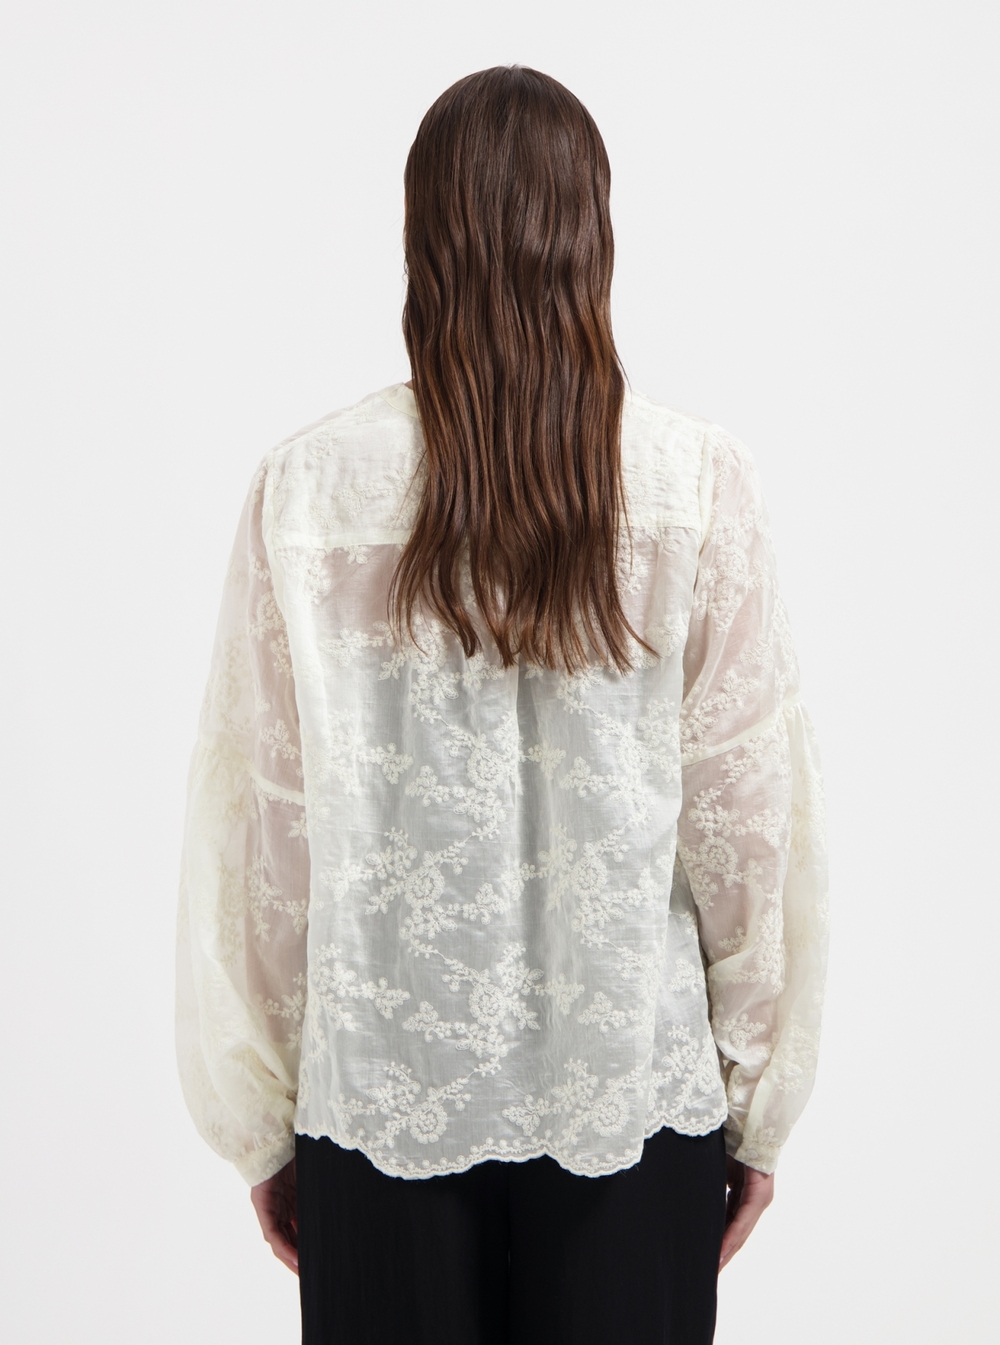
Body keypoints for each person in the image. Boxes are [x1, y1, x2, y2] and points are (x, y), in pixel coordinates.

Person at [175, 64, 829, 1345]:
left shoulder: (311, 490)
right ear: (591, 235)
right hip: (630, 1104)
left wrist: (263, 1116)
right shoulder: (694, 482)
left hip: (381, 1104)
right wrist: (758, 1101)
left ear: (422, 238)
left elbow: (262, 828)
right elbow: (748, 817)